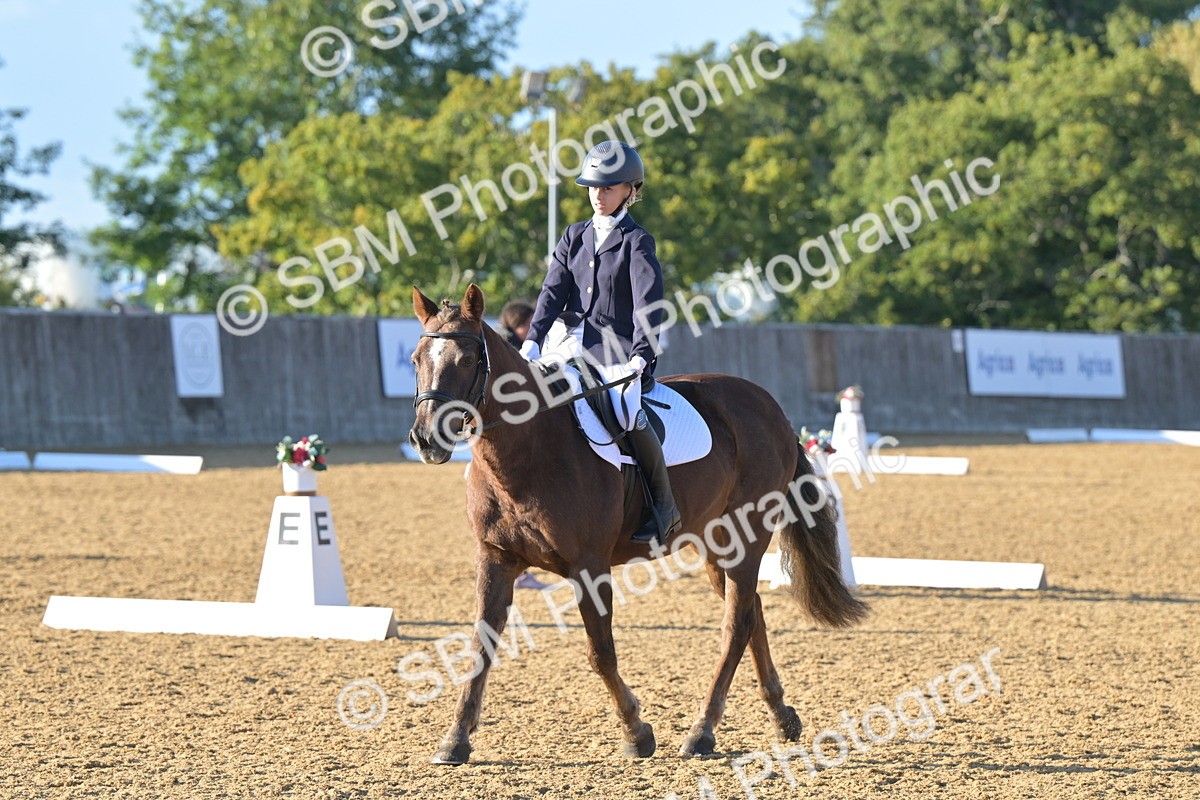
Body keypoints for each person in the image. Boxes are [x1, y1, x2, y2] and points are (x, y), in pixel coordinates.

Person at [520, 140, 681, 545]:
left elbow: (648, 304)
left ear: (631, 190)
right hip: (565, 344)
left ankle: (664, 506)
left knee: (626, 412)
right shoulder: (574, 236)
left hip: (616, 351)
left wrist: (641, 356)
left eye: (608, 188)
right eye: (593, 187)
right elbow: (551, 294)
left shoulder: (636, 241)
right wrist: (533, 341)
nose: (598, 195)